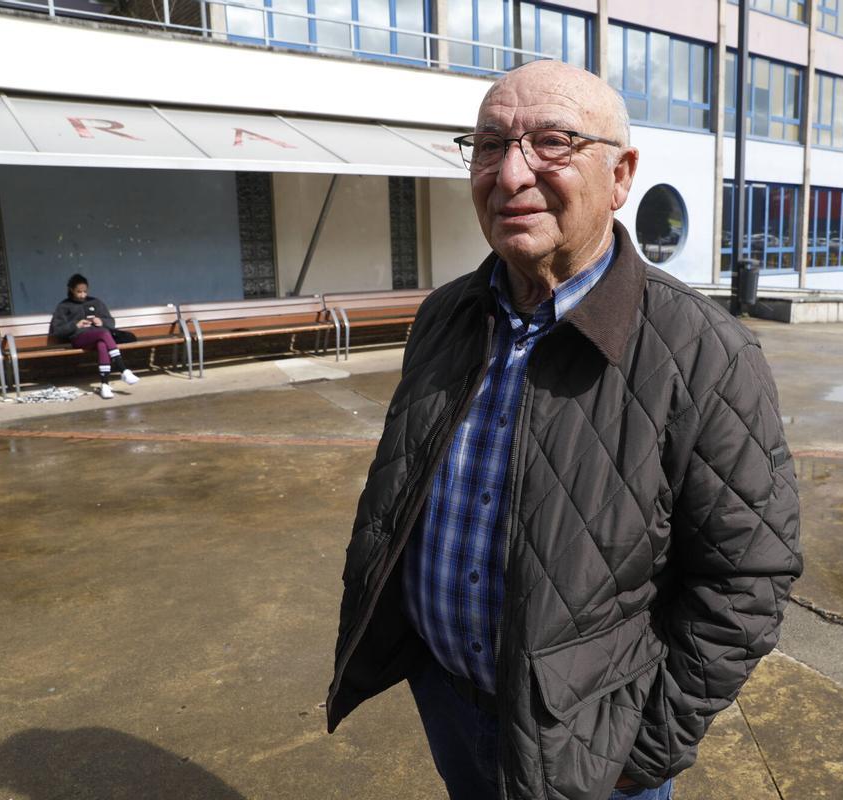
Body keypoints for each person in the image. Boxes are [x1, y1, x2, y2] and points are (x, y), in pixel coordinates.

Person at [327, 60, 802, 800]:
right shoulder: (444, 316)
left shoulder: (706, 351)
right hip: (448, 699)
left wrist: (644, 750)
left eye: (552, 142)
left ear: (620, 177)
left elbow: (748, 578)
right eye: (488, 146)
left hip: (595, 745)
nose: (510, 174)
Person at [50, 274, 140, 399]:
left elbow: (110, 322)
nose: (82, 295)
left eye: (85, 291)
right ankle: (123, 370)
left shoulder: (95, 302)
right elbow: (57, 330)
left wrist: (101, 322)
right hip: (78, 338)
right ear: (71, 290)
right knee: (104, 334)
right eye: (79, 292)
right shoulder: (64, 306)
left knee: (102, 344)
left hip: (98, 337)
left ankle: (105, 385)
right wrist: (76, 325)